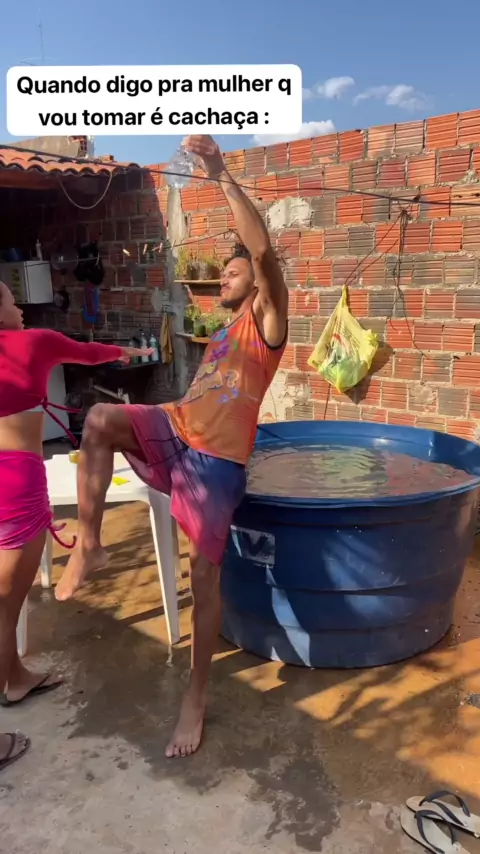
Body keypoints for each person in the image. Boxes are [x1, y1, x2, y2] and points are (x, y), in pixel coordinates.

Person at [55, 133, 289, 759]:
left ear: (258, 284)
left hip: (216, 464)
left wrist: (219, 172)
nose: (225, 276)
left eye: (233, 271)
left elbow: (263, 253)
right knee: (99, 418)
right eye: (226, 271)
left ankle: (197, 695)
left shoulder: (267, 323)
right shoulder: (222, 334)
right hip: (176, 428)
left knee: (203, 579)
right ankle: (92, 544)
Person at [0, 282, 151, 772]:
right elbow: (88, 352)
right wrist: (126, 351)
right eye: (10, 299)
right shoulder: (34, 343)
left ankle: (16, 678)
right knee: (4, 607)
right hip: (14, 483)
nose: (19, 306)